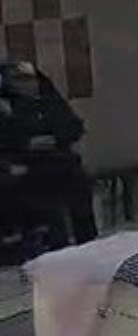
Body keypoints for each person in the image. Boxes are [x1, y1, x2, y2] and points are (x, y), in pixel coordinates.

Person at [0, 61, 97, 247]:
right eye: (18, 80)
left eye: (29, 80)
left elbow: (73, 127)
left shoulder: (49, 101)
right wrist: (26, 143)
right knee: (44, 199)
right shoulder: (8, 107)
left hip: (59, 160)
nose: (26, 85)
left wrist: (55, 139)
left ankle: (87, 243)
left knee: (77, 187)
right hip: (25, 164)